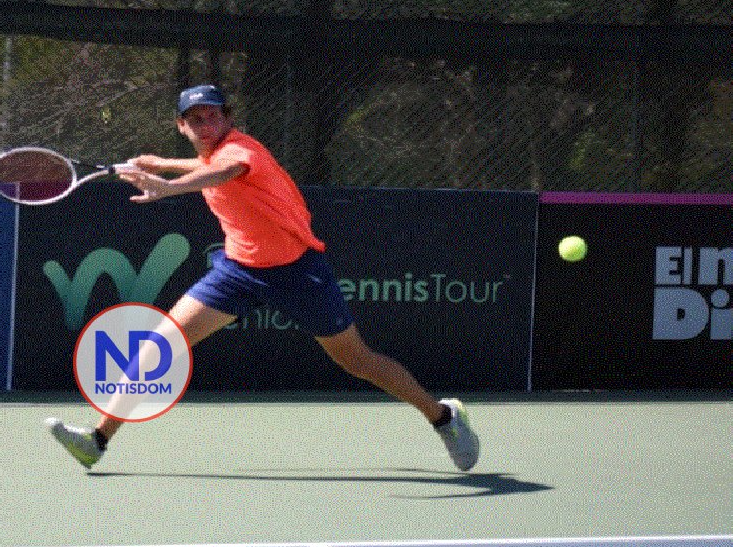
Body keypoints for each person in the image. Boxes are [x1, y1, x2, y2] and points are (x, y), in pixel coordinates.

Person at [45, 85, 480, 472]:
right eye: (195, 119)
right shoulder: (207, 153)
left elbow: (222, 172)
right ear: (182, 126)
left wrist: (166, 185)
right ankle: (97, 440)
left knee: (356, 361)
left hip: (296, 271)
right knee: (162, 344)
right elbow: (204, 164)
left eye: (213, 115)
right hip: (237, 271)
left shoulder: (242, 151)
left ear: (228, 119)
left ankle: (442, 416)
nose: (206, 123)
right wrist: (163, 164)